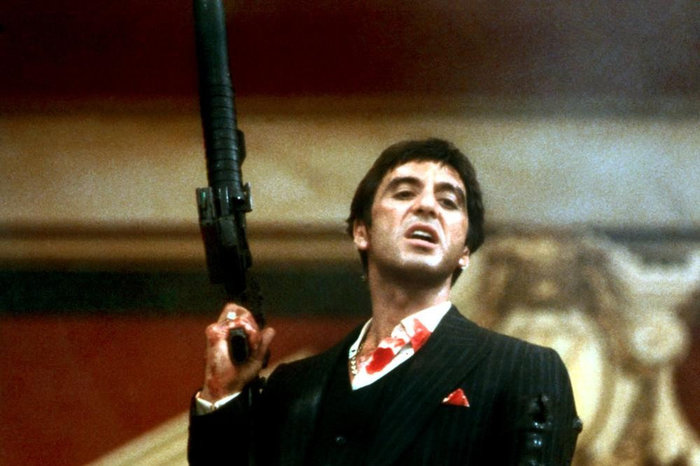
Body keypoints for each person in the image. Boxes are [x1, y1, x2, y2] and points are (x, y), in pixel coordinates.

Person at [188, 138, 582, 465]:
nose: (427, 206)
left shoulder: (523, 369)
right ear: (362, 231)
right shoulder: (293, 388)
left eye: (449, 201)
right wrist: (222, 392)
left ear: (465, 251)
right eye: (404, 192)